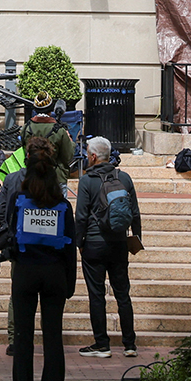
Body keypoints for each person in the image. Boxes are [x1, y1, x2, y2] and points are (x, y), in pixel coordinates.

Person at [0, 137, 78, 381]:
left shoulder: (20, 200)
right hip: (54, 271)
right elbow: (70, 247)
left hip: (25, 271)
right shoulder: (64, 207)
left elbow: (9, 232)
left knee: (23, 334)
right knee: (53, 335)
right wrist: (70, 282)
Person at [75, 136, 143, 358]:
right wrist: (136, 237)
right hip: (119, 243)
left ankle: (102, 344)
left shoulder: (86, 181)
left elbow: (81, 217)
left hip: (94, 245)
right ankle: (129, 344)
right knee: (123, 293)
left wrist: (79, 244)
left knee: (97, 295)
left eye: (87, 153)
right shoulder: (124, 177)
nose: (86, 156)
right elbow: (134, 212)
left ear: (93, 156)